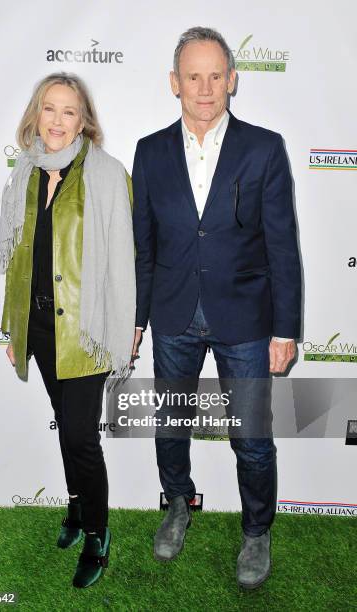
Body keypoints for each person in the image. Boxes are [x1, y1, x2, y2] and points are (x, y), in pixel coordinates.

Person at [132, 27, 301, 589]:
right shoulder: (150, 151)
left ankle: (257, 532)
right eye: (192, 77)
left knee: (252, 437)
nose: (204, 89)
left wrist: (285, 328)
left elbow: (283, 244)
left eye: (214, 76)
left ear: (232, 80)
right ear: (174, 84)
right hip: (173, 313)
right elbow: (144, 246)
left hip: (247, 319)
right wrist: (137, 320)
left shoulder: (264, 147)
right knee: (170, 424)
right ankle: (178, 504)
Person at [0, 72, 135, 589]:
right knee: (63, 423)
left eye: (69, 112)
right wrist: (12, 329)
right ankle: (76, 510)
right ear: (36, 114)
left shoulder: (105, 174)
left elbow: (125, 259)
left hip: (87, 331)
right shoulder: (24, 173)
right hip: (37, 327)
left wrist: (128, 328)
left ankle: (98, 535)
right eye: (49, 109)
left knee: (80, 438)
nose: (57, 121)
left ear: (85, 121)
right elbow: (17, 258)